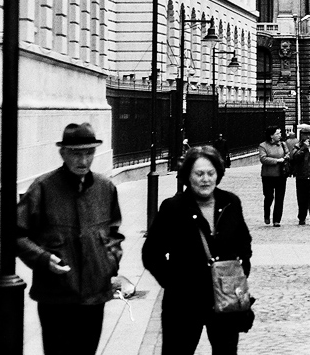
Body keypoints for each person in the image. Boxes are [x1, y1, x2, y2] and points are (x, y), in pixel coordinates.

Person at [16, 122, 124, 355]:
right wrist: (43, 259)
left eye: (89, 153)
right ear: (63, 153)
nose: (83, 161)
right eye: (76, 154)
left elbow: (114, 233)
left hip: (95, 295)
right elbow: (16, 234)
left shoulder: (106, 188)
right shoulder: (43, 188)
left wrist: (110, 262)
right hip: (56, 297)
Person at [143, 146, 252, 354]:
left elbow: (244, 244)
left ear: (218, 174)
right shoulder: (173, 208)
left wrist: (238, 276)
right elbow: (151, 253)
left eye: (211, 173)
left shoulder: (230, 203)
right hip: (184, 304)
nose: (205, 179)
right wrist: (174, 284)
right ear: (188, 176)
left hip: (225, 301)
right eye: (199, 173)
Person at [258, 126, 290, 226]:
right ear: (271, 135)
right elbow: (263, 159)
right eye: (277, 133)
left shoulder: (283, 144)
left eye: (280, 133)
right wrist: (276, 161)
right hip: (268, 175)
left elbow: (287, 153)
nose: (280, 135)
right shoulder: (263, 145)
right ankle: (266, 214)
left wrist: (287, 157)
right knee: (269, 196)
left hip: (281, 174)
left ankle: (277, 220)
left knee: (280, 198)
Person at [290, 124, 310, 226]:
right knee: (302, 198)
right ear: (302, 135)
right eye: (305, 134)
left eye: (309, 134)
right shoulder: (298, 146)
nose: (307, 136)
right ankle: (302, 217)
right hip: (302, 176)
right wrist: (303, 148)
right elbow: (294, 158)